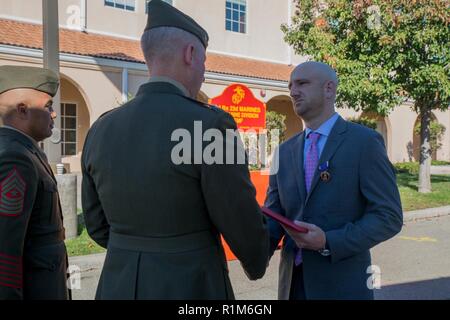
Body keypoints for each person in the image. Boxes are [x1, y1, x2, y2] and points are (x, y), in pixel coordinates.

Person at [81, 0, 269, 300]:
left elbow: (96, 223)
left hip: (120, 283)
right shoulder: (211, 125)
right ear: (190, 54)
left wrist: (134, 249)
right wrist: (257, 259)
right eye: (204, 61)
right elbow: (238, 217)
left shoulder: (101, 128)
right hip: (191, 284)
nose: (205, 72)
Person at [264, 61, 403, 300]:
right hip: (292, 286)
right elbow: (274, 216)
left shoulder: (364, 143)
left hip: (343, 286)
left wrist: (328, 241)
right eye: (290, 86)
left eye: (302, 83)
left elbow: (388, 216)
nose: (293, 91)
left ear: (329, 89)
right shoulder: (284, 152)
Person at [0, 65, 70, 300]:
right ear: (22, 110)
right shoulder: (15, 157)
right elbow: (5, 247)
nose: (54, 114)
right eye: (48, 106)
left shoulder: (27, 151)